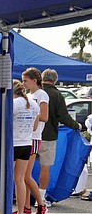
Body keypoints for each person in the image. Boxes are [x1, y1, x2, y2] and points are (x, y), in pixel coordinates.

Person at [41, 68, 81, 202]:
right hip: (48, 136)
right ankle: (42, 197)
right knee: (45, 167)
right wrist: (77, 126)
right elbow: (63, 116)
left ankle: (24, 194)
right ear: (55, 80)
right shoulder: (56, 95)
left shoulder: (34, 92)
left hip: (29, 137)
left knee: (26, 169)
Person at [22, 67, 49, 214]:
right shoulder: (29, 95)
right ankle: (26, 206)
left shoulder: (41, 94)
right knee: (24, 175)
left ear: (34, 80)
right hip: (26, 136)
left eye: (26, 80)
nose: (23, 83)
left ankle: (41, 203)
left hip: (34, 136)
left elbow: (45, 116)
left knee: (25, 175)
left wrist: (32, 116)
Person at [11, 80, 38, 214]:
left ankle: (4, 209)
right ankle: (20, 212)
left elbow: (5, 122)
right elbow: (35, 127)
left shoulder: (14, 103)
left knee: (7, 178)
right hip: (27, 144)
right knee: (20, 179)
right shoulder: (34, 104)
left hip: (13, 143)